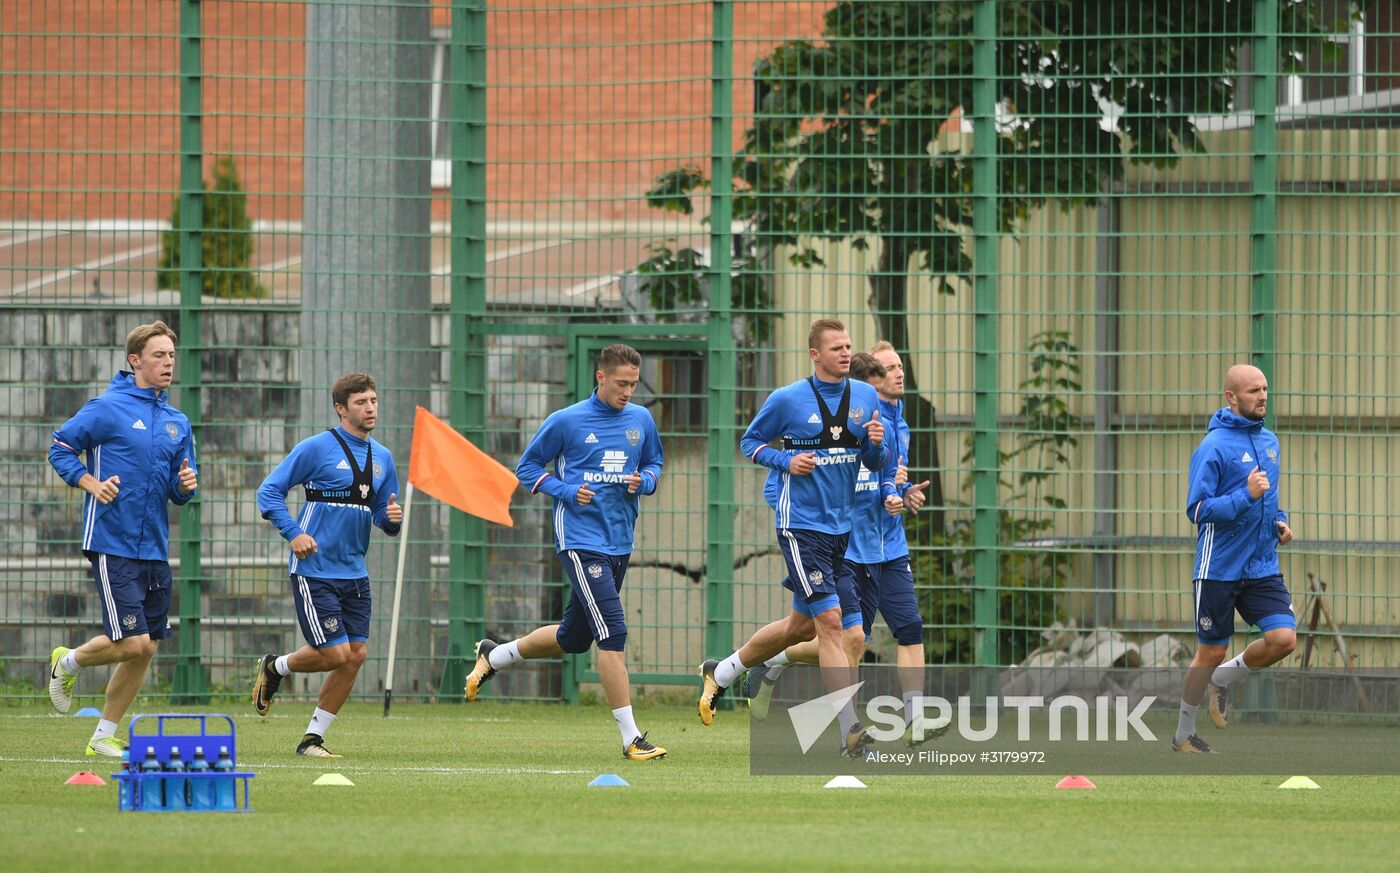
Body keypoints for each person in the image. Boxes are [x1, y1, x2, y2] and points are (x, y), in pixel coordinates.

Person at [464, 344, 667, 762]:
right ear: (600, 377)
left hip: (619, 540)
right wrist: (567, 491)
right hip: (578, 539)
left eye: (633, 383)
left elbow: (655, 464)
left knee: (573, 638)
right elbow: (528, 468)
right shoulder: (567, 421)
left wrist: (644, 480)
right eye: (621, 383)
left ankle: (494, 655)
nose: (628, 391)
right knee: (613, 632)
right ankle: (631, 738)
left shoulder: (641, 420)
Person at [697, 319, 887, 756]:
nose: (845, 353)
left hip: (841, 528)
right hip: (800, 525)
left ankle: (721, 672)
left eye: (848, 347)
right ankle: (850, 731)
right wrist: (786, 461)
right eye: (836, 348)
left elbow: (872, 463)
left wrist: (874, 444)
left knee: (799, 627)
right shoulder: (787, 399)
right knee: (833, 625)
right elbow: (751, 443)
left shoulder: (864, 396)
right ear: (814, 355)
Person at [46, 321, 199, 757]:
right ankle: (68, 661)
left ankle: (102, 737)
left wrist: (186, 486)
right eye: (159, 355)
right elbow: (59, 447)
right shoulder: (106, 408)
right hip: (112, 541)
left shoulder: (176, 421)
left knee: (146, 648)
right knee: (131, 641)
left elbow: (179, 486)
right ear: (135, 360)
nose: (169, 362)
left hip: (154, 546)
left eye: (172, 355)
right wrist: (89, 483)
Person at [252, 373, 402, 758]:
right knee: (335, 654)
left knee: (356, 655)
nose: (370, 408)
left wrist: (392, 518)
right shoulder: (317, 448)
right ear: (341, 408)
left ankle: (312, 739)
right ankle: (276, 667)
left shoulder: (382, 457)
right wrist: (293, 532)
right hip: (315, 570)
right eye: (361, 402)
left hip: (355, 573)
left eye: (373, 400)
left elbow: (382, 518)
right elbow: (268, 491)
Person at [1173, 364, 1296, 754]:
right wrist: (1246, 496)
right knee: (1211, 651)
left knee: (1283, 639)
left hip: (1261, 566)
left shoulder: (1270, 441)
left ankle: (1223, 679)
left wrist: (1280, 521)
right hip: (1219, 567)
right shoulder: (1212, 447)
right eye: (1253, 391)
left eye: (1265, 389)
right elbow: (1197, 510)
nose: (1262, 397)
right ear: (1231, 397)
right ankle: (1183, 734)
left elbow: (1269, 499)